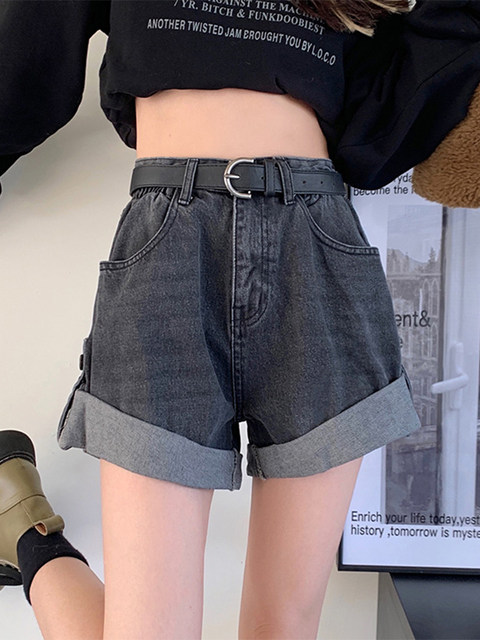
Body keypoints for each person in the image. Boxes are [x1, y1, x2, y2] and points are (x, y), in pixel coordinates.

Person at [0, 1, 479, 638]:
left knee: (283, 626)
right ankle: (30, 535)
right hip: (170, 242)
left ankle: (17, 521)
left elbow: (384, 121)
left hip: (319, 244)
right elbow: (31, 47)